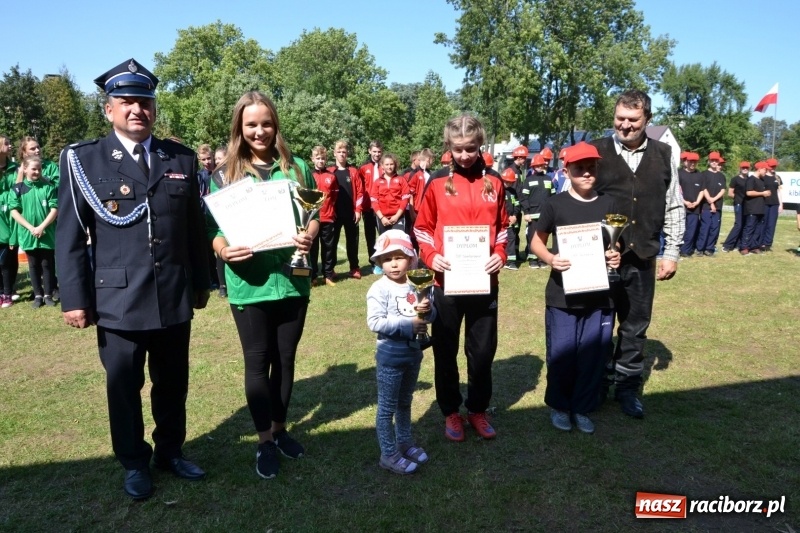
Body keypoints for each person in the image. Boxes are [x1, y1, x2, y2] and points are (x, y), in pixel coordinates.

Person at [56, 58, 211, 500]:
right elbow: (69, 234)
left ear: (154, 108)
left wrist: (201, 282)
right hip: (118, 300)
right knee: (124, 386)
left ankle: (170, 451)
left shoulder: (178, 157)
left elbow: (193, 230)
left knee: (173, 382)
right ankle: (133, 461)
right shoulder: (84, 160)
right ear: (109, 110)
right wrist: (74, 298)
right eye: (126, 102)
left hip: (173, 295)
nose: (136, 110)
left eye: (144, 102)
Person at [207, 90, 317, 480]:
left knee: (285, 360)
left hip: (292, 280)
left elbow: (313, 211)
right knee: (258, 362)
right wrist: (222, 251)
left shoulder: (297, 166)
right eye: (251, 124)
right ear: (240, 125)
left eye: (266, 123)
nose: (260, 131)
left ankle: (281, 430)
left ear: (276, 125)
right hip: (248, 284)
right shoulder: (223, 174)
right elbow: (211, 228)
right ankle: (263, 441)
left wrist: (310, 234)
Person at [414, 114, 509, 442]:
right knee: (445, 349)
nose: (465, 155)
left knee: (482, 352)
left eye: (471, 148)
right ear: (449, 147)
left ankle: (478, 409)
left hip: (485, 283)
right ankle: (451, 411)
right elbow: (422, 228)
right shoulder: (437, 181)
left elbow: (504, 227)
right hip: (446, 283)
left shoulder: (495, 180)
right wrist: (431, 256)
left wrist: (500, 254)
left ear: (480, 144)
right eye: (458, 149)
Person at [590, 89, 684, 419]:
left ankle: (627, 388)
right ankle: (597, 385)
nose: (625, 125)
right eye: (619, 119)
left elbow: (673, 205)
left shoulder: (664, 154)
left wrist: (671, 252)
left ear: (647, 120)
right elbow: (576, 202)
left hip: (643, 255)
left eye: (633, 120)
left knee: (635, 326)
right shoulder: (596, 152)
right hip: (601, 259)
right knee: (598, 323)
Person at [530, 142, 620, 434]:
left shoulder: (608, 204)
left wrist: (614, 253)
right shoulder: (555, 205)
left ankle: (582, 408)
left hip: (599, 295)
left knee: (592, 356)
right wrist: (551, 259)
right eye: (579, 168)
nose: (586, 173)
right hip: (562, 297)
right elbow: (536, 241)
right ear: (566, 171)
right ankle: (559, 406)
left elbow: (613, 242)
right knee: (562, 353)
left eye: (591, 167)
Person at [366, 230, 435, 474]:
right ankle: (388, 453)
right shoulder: (379, 288)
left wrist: (427, 310)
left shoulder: (420, 282)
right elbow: (374, 322)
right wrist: (408, 325)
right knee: (387, 408)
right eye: (386, 259)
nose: (393, 263)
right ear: (378, 263)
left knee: (405, 402)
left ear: (411, 258)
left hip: (413, 355)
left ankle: (404, 442)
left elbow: (431, 317)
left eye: (399, 256)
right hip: (390, 358)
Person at [10, 155, 58, 307]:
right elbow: (14, 211)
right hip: (28, 234)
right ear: (24, 169)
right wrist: (31, 228)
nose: (37, 172)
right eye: (33, 169)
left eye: (39, 169)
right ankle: (37, 295)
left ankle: (48, 294)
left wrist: (42, 227)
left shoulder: (48, 187)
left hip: (46, 233)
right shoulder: (18, 189)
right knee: (33, 264)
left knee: (47, 263)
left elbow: (54, 209)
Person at [329, 141, 364, 279]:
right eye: (339, 152)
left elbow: (360, 192)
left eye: (344, 152)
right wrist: (331, 210)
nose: (342, 154)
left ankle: (354, 268)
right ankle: (330, 270)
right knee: (332, 242)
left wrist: (358, 210)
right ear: (335, 154)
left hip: (351, 213)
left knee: (353, 241)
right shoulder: (330, 171)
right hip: (335, 214)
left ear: (347, 154)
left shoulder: (353, 171)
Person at [519, 153, 554, 268]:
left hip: (546, 214)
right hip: (533, 215)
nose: (539, 167)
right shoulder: (528, 180)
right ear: (533, 166)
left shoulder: (549, 179)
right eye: (537, 165)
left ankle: (541, 258)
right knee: (532, 236)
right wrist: (527, 212)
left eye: (541, 165)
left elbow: (553, 196)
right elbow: (523, 198)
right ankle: (532, 259)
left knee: (543, 237)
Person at [309, 145, 338, 286]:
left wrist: (330, 210)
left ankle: (328, 275)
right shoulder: (309, 175)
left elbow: (334, 196)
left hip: (328, 217)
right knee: (313, 248)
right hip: (313, 218)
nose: (321, 161)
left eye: (323, 158)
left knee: (328, 248)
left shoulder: (331, 176)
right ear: (313, 159)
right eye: (318, 158)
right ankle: (313, 276)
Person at [0, 135, 20, 307]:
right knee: (3, 255)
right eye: (6, 143)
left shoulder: (15, 167)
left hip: (13, 210)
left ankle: (10, 288)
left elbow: (18, 187)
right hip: (0, 213)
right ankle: (3, 291)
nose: (10, 145)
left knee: (12, 251)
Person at [371, 153, 411, 237]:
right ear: (382, 166)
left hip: (398, 218)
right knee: (385, 244)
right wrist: (382, 217)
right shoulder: (377, 182)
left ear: (395, 165)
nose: (389, 167)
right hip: (382, 218)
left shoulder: (401, 180)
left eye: (391, 164)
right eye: (387, 164)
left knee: (397, 244)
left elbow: (405, 200)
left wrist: (397, 216)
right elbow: (374, 201)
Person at [359, 141, 383, 270]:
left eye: (379, 152)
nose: (377, 154)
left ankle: (384, 260)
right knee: (370, 237)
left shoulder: (385, 166)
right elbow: (359, 187)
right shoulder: (363, 168)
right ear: (370, 151)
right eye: (374, 151)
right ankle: (374, 263)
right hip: (368, 208)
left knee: (384, 236)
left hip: (383, 208)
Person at [502, 145, 528, 266]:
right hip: (513, 205)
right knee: (511, 232)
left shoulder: (519, 170)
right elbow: (516, 190)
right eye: (524, 158)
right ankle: (510, 256)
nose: (524, 161)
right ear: (518, 157)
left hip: (516, 205)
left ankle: (515, 253)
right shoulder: (512, 171)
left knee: (515, 232)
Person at [696, 152, 726, 256]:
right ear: (709, 161)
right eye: (712, 160)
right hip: (706, 206)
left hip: (717, 207)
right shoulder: (703, 174)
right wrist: (710, 201)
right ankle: (700, 248)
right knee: (705, 227)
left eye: (716, 160)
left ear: (718, 162)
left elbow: (722, 190)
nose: (714, 162)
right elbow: (703, 189)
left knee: (714, 228)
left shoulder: (721, 176)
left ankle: (709, 248)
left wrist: (714, 200)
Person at [740, 161, 769, 255]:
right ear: (760, 169)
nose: (766, 172)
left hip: (760, 208)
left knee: (758, 228)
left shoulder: (762, 180)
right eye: (765, 169)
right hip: (752, 208)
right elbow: (749, 192)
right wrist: (763, 193)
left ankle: (754, 246)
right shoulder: (751, 179)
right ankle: (744, 247)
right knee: (749, 227)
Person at [678, 152, 703, 258]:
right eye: (691, 161)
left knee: (691, 230)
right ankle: (677, 249)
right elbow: (676, 190)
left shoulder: (699, 175)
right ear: (686, 161)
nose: (693, 163)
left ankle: (686, 250)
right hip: (681, 206)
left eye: (695, 161)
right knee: (679, 229)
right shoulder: (679, 173)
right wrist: (685, 202)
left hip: (695, 207)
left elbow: (702, 190)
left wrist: (697, 202)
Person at [721, 162, 750, 253]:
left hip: (748, 205)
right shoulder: (735, 179)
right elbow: (730, 193)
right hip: (739, 204)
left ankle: (738, 244)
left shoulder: (750, 180)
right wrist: (738, 199)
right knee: (738, 224)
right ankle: (727, 244)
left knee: (745, 224)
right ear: (740, 169)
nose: (745, 169)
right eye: (743, 168)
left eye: (747, 168)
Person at [761, 158, 783, 252]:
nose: (773, 168)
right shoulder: (763, 177)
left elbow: (779, 191)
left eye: (774, 166)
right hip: (764, 203)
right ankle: (760, 243)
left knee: (772, 224)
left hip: (774, 204)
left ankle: (768, 244)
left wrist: (781, 204)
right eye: (771, 166)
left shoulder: (777, 178)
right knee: (763, 223)